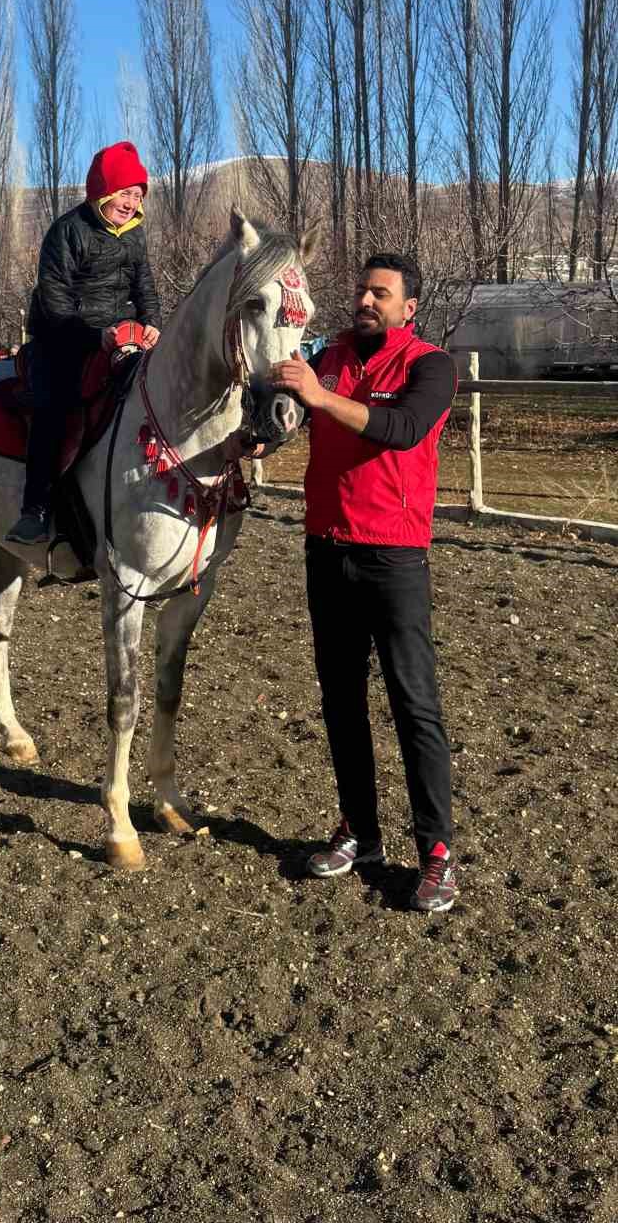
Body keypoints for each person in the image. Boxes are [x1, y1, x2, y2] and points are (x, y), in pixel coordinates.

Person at [273, 252, 459, 915]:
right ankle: (361, 831)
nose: (366, 300)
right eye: (361, 290)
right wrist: (248, 444)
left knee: (414, 706)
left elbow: (401, 431)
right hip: (327, 550)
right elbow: (285, 417)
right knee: (341, 701)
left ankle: (436, 852)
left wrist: (322, 397)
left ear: (409, 307)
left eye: (381, 293)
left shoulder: (431, 366)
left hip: (393, 557)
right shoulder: (329, 356)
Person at [6, 141, 162, 545]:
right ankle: (35, 509)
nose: (131, 203)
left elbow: (144, 285)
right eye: (125, 193)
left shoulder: (135, 234)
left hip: (121, 336)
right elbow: (54, 298)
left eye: (138, 195)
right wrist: (94, 335)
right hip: (63, 338)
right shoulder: (67, 231)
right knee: (53, 407)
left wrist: (152, 322)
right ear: (103, 192)